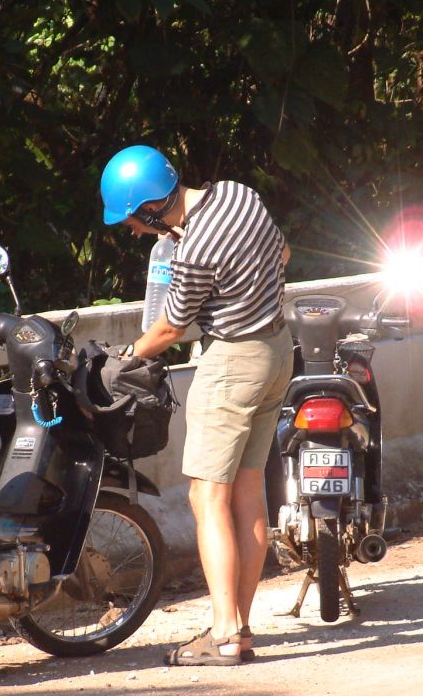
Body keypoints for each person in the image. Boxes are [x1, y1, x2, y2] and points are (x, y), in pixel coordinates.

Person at [100, 144, 293, 666]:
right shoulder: (240, 196)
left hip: (232, 364)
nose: (135, 232)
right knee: (249, 491)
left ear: (150, 209)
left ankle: (225, 634)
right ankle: (242, 628)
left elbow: (169, 327)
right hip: (277, 352)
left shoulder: (192, 251)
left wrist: (123, 357)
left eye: (132, 222)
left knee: (207, 500)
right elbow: (283, 254)